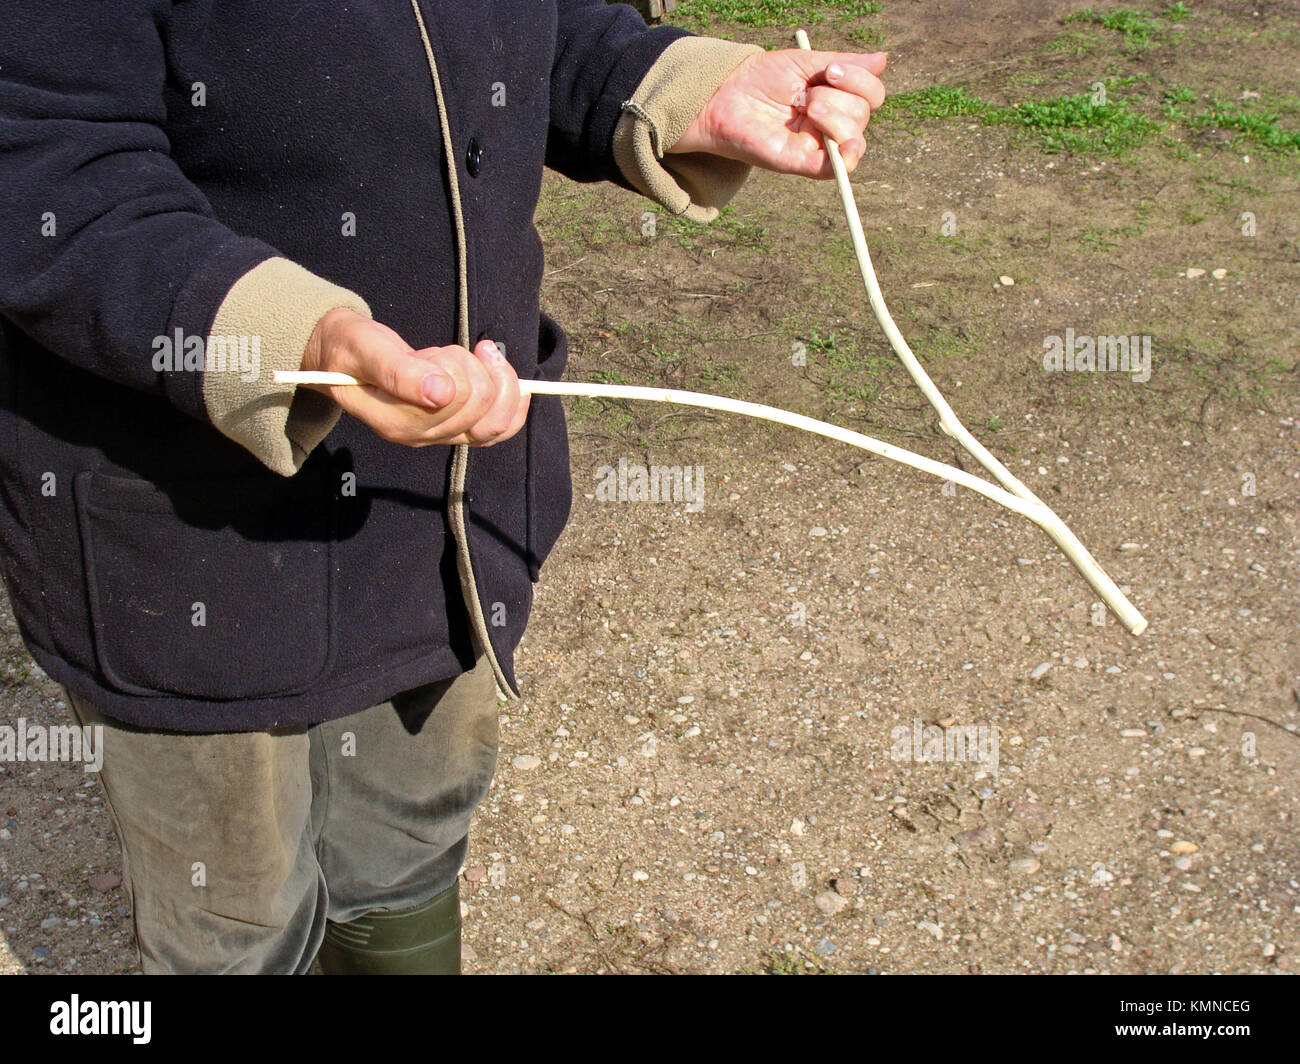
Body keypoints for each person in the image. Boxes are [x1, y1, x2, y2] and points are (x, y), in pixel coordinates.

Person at [0, 1, 885, 974]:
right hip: (185, 544)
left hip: (441, 511)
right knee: (234, 924)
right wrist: (303, 341)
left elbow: (530, 34)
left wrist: (680, 86)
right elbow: (50, 172)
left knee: (408, 841)